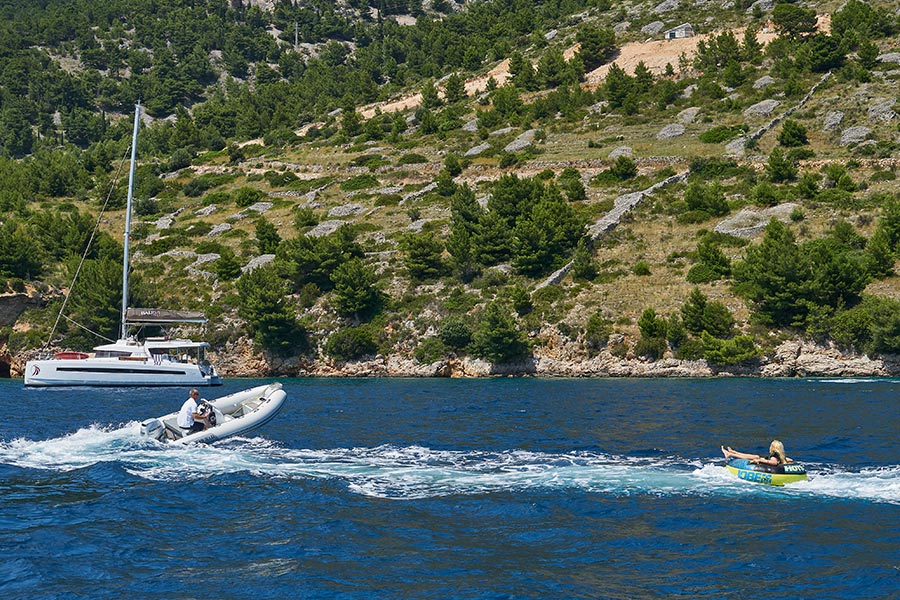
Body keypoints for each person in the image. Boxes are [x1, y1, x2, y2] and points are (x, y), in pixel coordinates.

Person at [721, 440, 793, 466]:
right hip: (765, 458)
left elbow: (774, 463)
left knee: (756, 457)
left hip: (764, 462)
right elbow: (786, 460)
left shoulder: (774, 454)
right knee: (756, 456)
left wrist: (760, 460)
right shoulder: (780, 455)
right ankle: (733, 452)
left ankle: (731, 454)